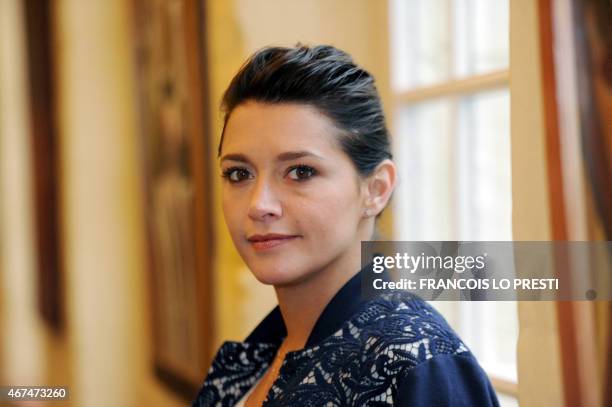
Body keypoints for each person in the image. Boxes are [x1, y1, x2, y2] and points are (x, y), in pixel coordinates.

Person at [192, 44, 500, 406]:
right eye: (239, 173)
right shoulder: (256, 354)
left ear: (376, 189)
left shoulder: (417, 362)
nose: (259, 205)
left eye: (301, 172)